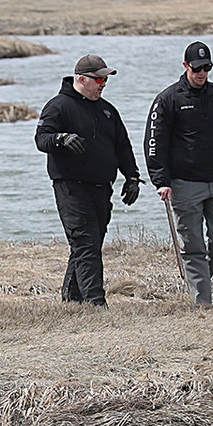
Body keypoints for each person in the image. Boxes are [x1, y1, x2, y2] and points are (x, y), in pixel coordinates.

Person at [144, 41, 213, 306]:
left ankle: (198, 277)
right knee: (193, 245)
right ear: (185, 66)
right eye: (197, 68)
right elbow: (154, 142)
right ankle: (202, 304)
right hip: (184, 184)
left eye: (206, 68)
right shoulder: (168, 99)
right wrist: (160, 180)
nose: (201, 73)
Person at [35, 54, 143, 308]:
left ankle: (72, 299)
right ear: (81, 79)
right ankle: (96, 304)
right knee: (86, 242)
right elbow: (41, 139)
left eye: (105, 79)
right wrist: (62, 138)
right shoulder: (58, 106)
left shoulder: (107, 110)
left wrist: (132, 177)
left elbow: (122, 146)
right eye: (98, 79)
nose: (103, 83)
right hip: (70, 186)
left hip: (101, 188)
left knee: (90, 243)